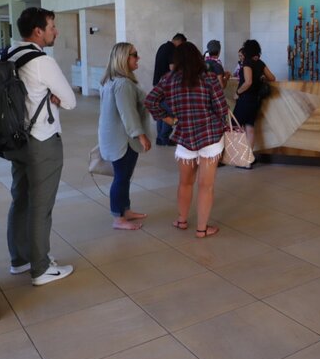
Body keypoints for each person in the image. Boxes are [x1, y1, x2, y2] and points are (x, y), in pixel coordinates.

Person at [6, 7, 77, 285]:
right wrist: (56, 98)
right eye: (52, 26)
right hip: (42, 140)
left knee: (21, 199)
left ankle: (20, 259)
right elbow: (70, 100)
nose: (55, 31)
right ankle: (41, 268)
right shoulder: (41, 61)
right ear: (38, 31)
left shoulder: (11, 54)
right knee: (41, 206)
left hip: (17, 139)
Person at [145, 42, 230, 238]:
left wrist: (170, 119)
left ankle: (182, 220)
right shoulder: (208, 78)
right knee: (206, 186)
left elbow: (150, 101)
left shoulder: (169, 79)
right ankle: (202, 229)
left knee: (185, 183)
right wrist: (216, 121)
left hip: (184, 136)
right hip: (210, 137)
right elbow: (221, 108)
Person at [98, 42, 152, 230]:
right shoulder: (122, 84)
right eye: (134, 54)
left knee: (124, 176)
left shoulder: (112, 81)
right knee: (121, 177)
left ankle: (124, 210)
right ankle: (117, 217)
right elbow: (128, 113)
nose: (138, 58)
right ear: (123, 58)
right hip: (123, 139)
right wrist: (141, 135)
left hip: (117, 137)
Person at [233, 39, 275, 164]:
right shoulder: (260, 63)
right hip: (255, 100)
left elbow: (248, 82)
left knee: (234, 125)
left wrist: (238, 92)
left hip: (245, 99)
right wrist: (261, 77)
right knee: (249, 128)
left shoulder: (247, 63)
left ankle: (238, 156)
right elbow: (272, 78)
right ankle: (248, 159)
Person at [152, 33, 186, 145]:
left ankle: (160, 138)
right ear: (179, 42)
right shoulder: (172, 49)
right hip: (167, 86)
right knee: (171, 111)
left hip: (158, 84)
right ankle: (164, 138)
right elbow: (173, 68)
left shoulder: (162, 46)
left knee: (161, 111)